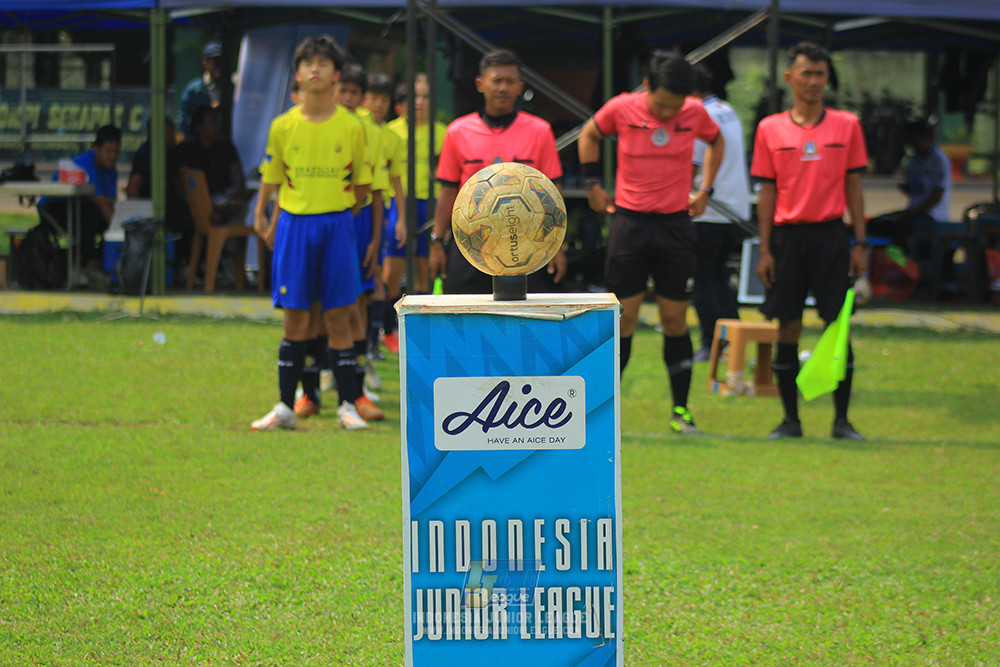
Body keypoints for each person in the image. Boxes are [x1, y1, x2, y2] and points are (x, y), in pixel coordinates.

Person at [577, 52, 723, 435]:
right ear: (646, 86)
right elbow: (589, 134)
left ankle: (681, 410)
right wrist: (592, 184)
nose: (667, 113)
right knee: (623, 321)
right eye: (660, 105)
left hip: (676, 227)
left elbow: (716, 140)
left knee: (675, 320)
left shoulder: (694, 113)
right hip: (631, 225)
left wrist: (705, 188)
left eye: (675, 107)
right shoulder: (622, 108)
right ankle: (602, 416)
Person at [250, 35, 372, 432]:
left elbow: (362, 189)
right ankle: (286, 407)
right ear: (297, 74)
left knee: (339, 316)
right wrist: (263, 214)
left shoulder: (352, 126)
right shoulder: (282, 126)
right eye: (307, 64)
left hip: (336, 224)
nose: (314, 70)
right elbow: (272, 177)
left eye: (323, 63)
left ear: (336, 74)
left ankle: (348, 406)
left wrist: (334, 214)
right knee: (295, 321)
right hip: (294, 228)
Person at [751, 41, 869, 441]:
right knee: (788, 327)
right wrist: (765, 249)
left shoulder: (847, 125)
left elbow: (854, 186)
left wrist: (860, 242)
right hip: (787, 240)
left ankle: (842, 421)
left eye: (820, 74)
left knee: (838, 328)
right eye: (807, 74)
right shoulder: (770, 128)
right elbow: (767, 192)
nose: (814, 82)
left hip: (833, 237)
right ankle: (790, 420)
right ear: (790, 78)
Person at [429, 48, 567, 294]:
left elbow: (553, 192)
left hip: (524, 245)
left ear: (519, 86)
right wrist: (437, 241)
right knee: (465, 319)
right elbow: (448, 191)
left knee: (522, 321)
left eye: (510, 81)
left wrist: (557, 245)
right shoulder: (458, 132)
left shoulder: (540, 131)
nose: (503, 88)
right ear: (480, 84)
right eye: (497, 81)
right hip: (472, 243)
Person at [690, 65, 751, 362]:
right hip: (733, 207)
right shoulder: (726, 109)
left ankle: (710, 342)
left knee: (703, 279)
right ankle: (734, 339)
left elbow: (693, 165)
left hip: (710, 209)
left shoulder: (700, 115)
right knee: (719, 277)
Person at [386, 75, 448, 299]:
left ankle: (424, 316)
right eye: (415, 96)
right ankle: (388, 322)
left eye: (425, 96)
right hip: (397, 202)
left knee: (426, 265)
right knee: (392, 267)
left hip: (429, 203)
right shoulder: (390, 131)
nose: (419, 102)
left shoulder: (442, 132)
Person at [37, 124, 122, 288]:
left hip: (82, 212)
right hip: (55, 211)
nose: (113, 157)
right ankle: (82, 265)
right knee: (94, 215)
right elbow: (101, 202)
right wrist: (120, 231)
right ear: (96, 148)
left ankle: (94, 265)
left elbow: (110, 202)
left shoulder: (111, 170)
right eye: (108, 151)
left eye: (117, 152)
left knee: (102, 218)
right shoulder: (84, 163)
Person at [363, 72, 407, 360]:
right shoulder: (356, 130)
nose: (378, 104)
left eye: (383, 99)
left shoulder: (392, 138)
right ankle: (366, 342)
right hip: (359, 208)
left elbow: (396, 180)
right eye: (373, 98)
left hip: (384, 210)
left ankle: (375, 341)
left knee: (380, 276)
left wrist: (401, 217)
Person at [867, 119, 951, 247]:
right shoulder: (913, 161)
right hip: (914, 211)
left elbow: (937, 195)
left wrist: (910, 213)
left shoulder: (938, 160)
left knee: (897, 229)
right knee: (877, 223)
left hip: (932, 215)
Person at [178, 41, 224, 139]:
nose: (218, 66)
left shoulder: (232, 87)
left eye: (221, 61)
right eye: (214, 62)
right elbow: (184, 120)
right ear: (205, 63)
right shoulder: (194, 91)